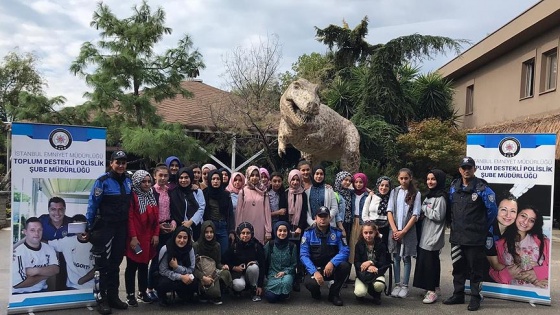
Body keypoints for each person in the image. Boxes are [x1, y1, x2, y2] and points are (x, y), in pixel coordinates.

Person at [443, 156, 497, 311]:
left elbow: (492, 211)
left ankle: (475, 297)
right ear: (460, 170)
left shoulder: (482, 189)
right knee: (458, 267)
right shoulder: (454, 187)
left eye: (469, 168)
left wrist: (480, 227)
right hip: (457, 237)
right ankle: (458, 294)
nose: (466, 170)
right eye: (464, 168)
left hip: (475, 237)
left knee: (475, 270)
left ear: (475, 169)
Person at [86, 150, 132, 314]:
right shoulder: (102, 181)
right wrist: (88, 227)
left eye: (123, 163)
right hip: (104, 227)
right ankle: (101, 300)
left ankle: (113, 297)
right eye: (117, 162)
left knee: (116, 263)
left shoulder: (128, 180)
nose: (120, 165)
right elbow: (92, 204)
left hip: (121, 228)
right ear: (111, 163)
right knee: (101, 266)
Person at [300, 206, 350, 306]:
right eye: (320, 216)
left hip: (331, 268)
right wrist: (314, 272)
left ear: (329, 218)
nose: (322, 219)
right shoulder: (308, 233)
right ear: (315, 218)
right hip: (315, 268)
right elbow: (303, 255)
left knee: (345, 266)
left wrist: (332, 263)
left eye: (325, 216)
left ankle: (334, 294)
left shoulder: (337, 233)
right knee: (310, 283)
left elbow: (345, 251)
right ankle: (316, 292)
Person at [489, 206, 549, 288]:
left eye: (531, 220)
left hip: (538, 295)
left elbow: (553, 269)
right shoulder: (500, 244)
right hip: (513, 294)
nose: (525, 222)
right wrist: (507, 274)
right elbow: (492, 272)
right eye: (523, 216)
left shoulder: (544, 242)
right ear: (516, 215)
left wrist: (538, 273)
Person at [125, 170, 160, 306]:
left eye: (148, 181)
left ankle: (142, 292)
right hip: (135, 238)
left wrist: (156, 234)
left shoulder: (151, 195)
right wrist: (133, 237)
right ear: (137, 182)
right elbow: (130, 218)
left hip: (148, 238)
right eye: (143, 182)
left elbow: (157, 218)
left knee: (144, 266)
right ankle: (130, 295)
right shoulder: (133, 197)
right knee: (132, 266)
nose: (146, 184)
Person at [413, 169, 447, 304]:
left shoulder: (441, 198)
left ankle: (432, 291)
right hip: (426, 233)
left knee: (430, 263)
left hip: (434, 235)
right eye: (428, 179)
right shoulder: (429, 196)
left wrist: (424, 208)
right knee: (427, 262)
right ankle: (432, 287)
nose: (430, 182)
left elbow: (438, 216)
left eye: (433, 179)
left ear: (439, 180)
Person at [387, 168, 421, 299]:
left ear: (410, 178)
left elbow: (415, 214)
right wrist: (395, 230)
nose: (403, 180)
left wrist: (404, 231)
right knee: (395, 256)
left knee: (406, 257)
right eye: (401, 178)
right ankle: (397, 284)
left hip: (408, 230)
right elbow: (389, 210)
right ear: (398, 178)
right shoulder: (394, 191)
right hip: (395, 229)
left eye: (406, 178)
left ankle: (405, 285)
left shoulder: (416, 193)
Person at [147, 164, 176, 301]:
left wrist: (173, 223)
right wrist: (158, 228)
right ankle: (149, 288)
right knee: (155, 260)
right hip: (155, 230)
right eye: (161, 175)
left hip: (169, 229)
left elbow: (174, 209)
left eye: (166, 175)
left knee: (167, 259)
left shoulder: (169, 191)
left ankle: (162, 288)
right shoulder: (151, 192)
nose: (163, 178)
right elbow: (149, 214)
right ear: (155, 176)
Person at [12, 217, 59, 294]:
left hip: (42, 291)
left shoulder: (49, 248)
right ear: (25, 232)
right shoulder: (17, 252)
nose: (36, 233)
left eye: (39, 230)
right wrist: (45, 275)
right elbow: (18, 284)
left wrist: (36, 271)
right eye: (32, 230)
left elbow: (56, 269)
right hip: (20, 293)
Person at [48, 214, 95, 290]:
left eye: (81, 226)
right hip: (72, 287)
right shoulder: (67, 241)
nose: (79, 230)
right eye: (75, 226)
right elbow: (48, 243)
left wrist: (82, 280)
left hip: (91, 287)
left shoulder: (95, 243)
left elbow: (100, 266)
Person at [193, 220, 233, 305]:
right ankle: (203, 293)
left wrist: (223, 266)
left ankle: (214, 293)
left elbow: (218, 263)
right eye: (206, 232)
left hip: (213, 274)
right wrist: (202, 277)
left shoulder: (217, 246)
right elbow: (193, 267)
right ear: (202, 232)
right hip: (200, 274)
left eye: (211, 232)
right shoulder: (196, 246)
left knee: (226, 273)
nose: (209, 234)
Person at [156, 226, 198, 306]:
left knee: (194, 281)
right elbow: (163, 271)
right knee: (163, 283)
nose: (182, 240)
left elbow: (191, 269)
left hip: (184, 276)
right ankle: (162, 297)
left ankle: (186, 296)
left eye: (185, 238)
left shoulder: (190, 249)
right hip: (169, 278)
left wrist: (176, 267)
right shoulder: (166, 249)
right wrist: (181, 277)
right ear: (175, 237)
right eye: (179, 237)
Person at [225, 222, 266, 302]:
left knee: (253, 267)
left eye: (248, 233)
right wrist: (234, 267)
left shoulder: (256, 246)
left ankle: (254, 290)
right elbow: (224, 260)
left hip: (252, 274)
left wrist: (260, 286)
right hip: (239, 274)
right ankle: (238, 291)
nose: (245, 235)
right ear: (239, 234)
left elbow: (262, 265)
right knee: (238, 285)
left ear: (252, 233)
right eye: (243, 233)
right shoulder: (234, 246)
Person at [353, 222, 389, 305]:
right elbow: (356, 263)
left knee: (379, 285)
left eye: (370, 232)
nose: (368, 235)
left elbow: (383, 262)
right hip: (363, 273)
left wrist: (371, 262)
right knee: (360, 292)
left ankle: (376, 294)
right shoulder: (359, 245)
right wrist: (368, 268)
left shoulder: (381, 244)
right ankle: (363, 291)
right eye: (365, 233)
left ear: (375, 232)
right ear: (362, 233)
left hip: (377, 271)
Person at [235, 166, 272, 245]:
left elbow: (267, 212)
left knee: (258, 248)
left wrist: (268, 231)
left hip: (260, 226)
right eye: (252, 175)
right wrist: (238, 229)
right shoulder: (243, 191)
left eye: (257, 175)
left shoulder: (264, 192)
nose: (254, 177)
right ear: (248, 176)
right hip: (245, 226)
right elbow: (239, 212)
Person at [286, 169, 309, 292]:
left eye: (297, 180)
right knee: (289, 253)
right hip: (286, 228)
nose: (295, 182)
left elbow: (304, 212)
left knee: (299, 252)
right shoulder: (285, 193)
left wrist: (300, 227)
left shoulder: (303, 194)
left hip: (300, 229)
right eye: (293, 179)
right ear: (289, 180)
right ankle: (289, 276)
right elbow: (283, 211)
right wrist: (286, 228)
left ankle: (298, 278)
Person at [202, 169, 235, 257]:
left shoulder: (226, 194)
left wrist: (231, 231)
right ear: (209, 180)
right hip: (210, 227)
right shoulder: (205, 193)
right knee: (210, 253)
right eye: (213, 179)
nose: (215, 181)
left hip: (223, 226)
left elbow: (230, 213)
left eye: (218, 179)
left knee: (224, 253)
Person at [264, 221, 298, 303]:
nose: (282, 233)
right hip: (273, 274)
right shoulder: (270, 244)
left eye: (285, 231)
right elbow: (263, 260)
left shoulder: (292, 246)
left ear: (288, 232)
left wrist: (285, 272)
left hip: (287, 274)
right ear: (276, 231)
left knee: (286, 284)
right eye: (280, 230)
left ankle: (285, 292)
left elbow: (294, 264)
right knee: (270, 298)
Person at [486, 195, 518, 279]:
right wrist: (523, 273)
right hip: (484, 278)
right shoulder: (488, 231)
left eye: (513, 211)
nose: (508, 215)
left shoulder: (515, 231)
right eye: (504, 210)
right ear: (496, 210)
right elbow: (495, 265)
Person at [169, 167, 205, 242]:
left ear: (191, 178)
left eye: (186, 177)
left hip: (196, 226)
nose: (183, 180)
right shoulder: (174, 193)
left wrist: (190, 222)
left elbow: (201, 208)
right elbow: (171, 210)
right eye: (181, 178)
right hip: (179, 227)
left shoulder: (197, 191)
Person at [362, 176, 392, 247]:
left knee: (383, 249)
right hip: (371, 228)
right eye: (382, 185)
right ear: (378, 185)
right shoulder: (372, 197)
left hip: (385, 228)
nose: (384, 188)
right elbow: (364, 214)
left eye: (387, 186)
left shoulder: (391, 199)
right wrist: (371, 226)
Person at [349, 173, 368, 264]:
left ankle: (361, 272)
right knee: (352, 246)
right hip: (352, 222)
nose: (358, 184)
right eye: (356, 182)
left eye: (361, 182)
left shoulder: (368, 195)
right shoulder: (350, 193)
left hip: (363, 222)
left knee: (362, 246)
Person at [334, 171, 352, 238]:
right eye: (345, 180)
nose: (348, 182)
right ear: (339, 180)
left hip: (349, 224)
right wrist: (341, 227)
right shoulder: (335, 194)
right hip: (339, 224)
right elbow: (336, 212)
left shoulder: (349, 193)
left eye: (350, 181)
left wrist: (369, 191)